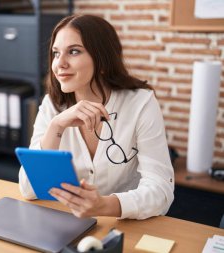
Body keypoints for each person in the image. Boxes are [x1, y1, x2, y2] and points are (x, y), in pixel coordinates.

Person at [18, 14, 174, 220]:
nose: (60, 64)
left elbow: (161, 191)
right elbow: (29, 189)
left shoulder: (141, 103)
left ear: (102, 60)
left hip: (124, 225)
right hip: (66, 222)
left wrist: (103, 206)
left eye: (73, 52)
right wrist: (57, 125)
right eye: (56, 53)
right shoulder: (52, 105)